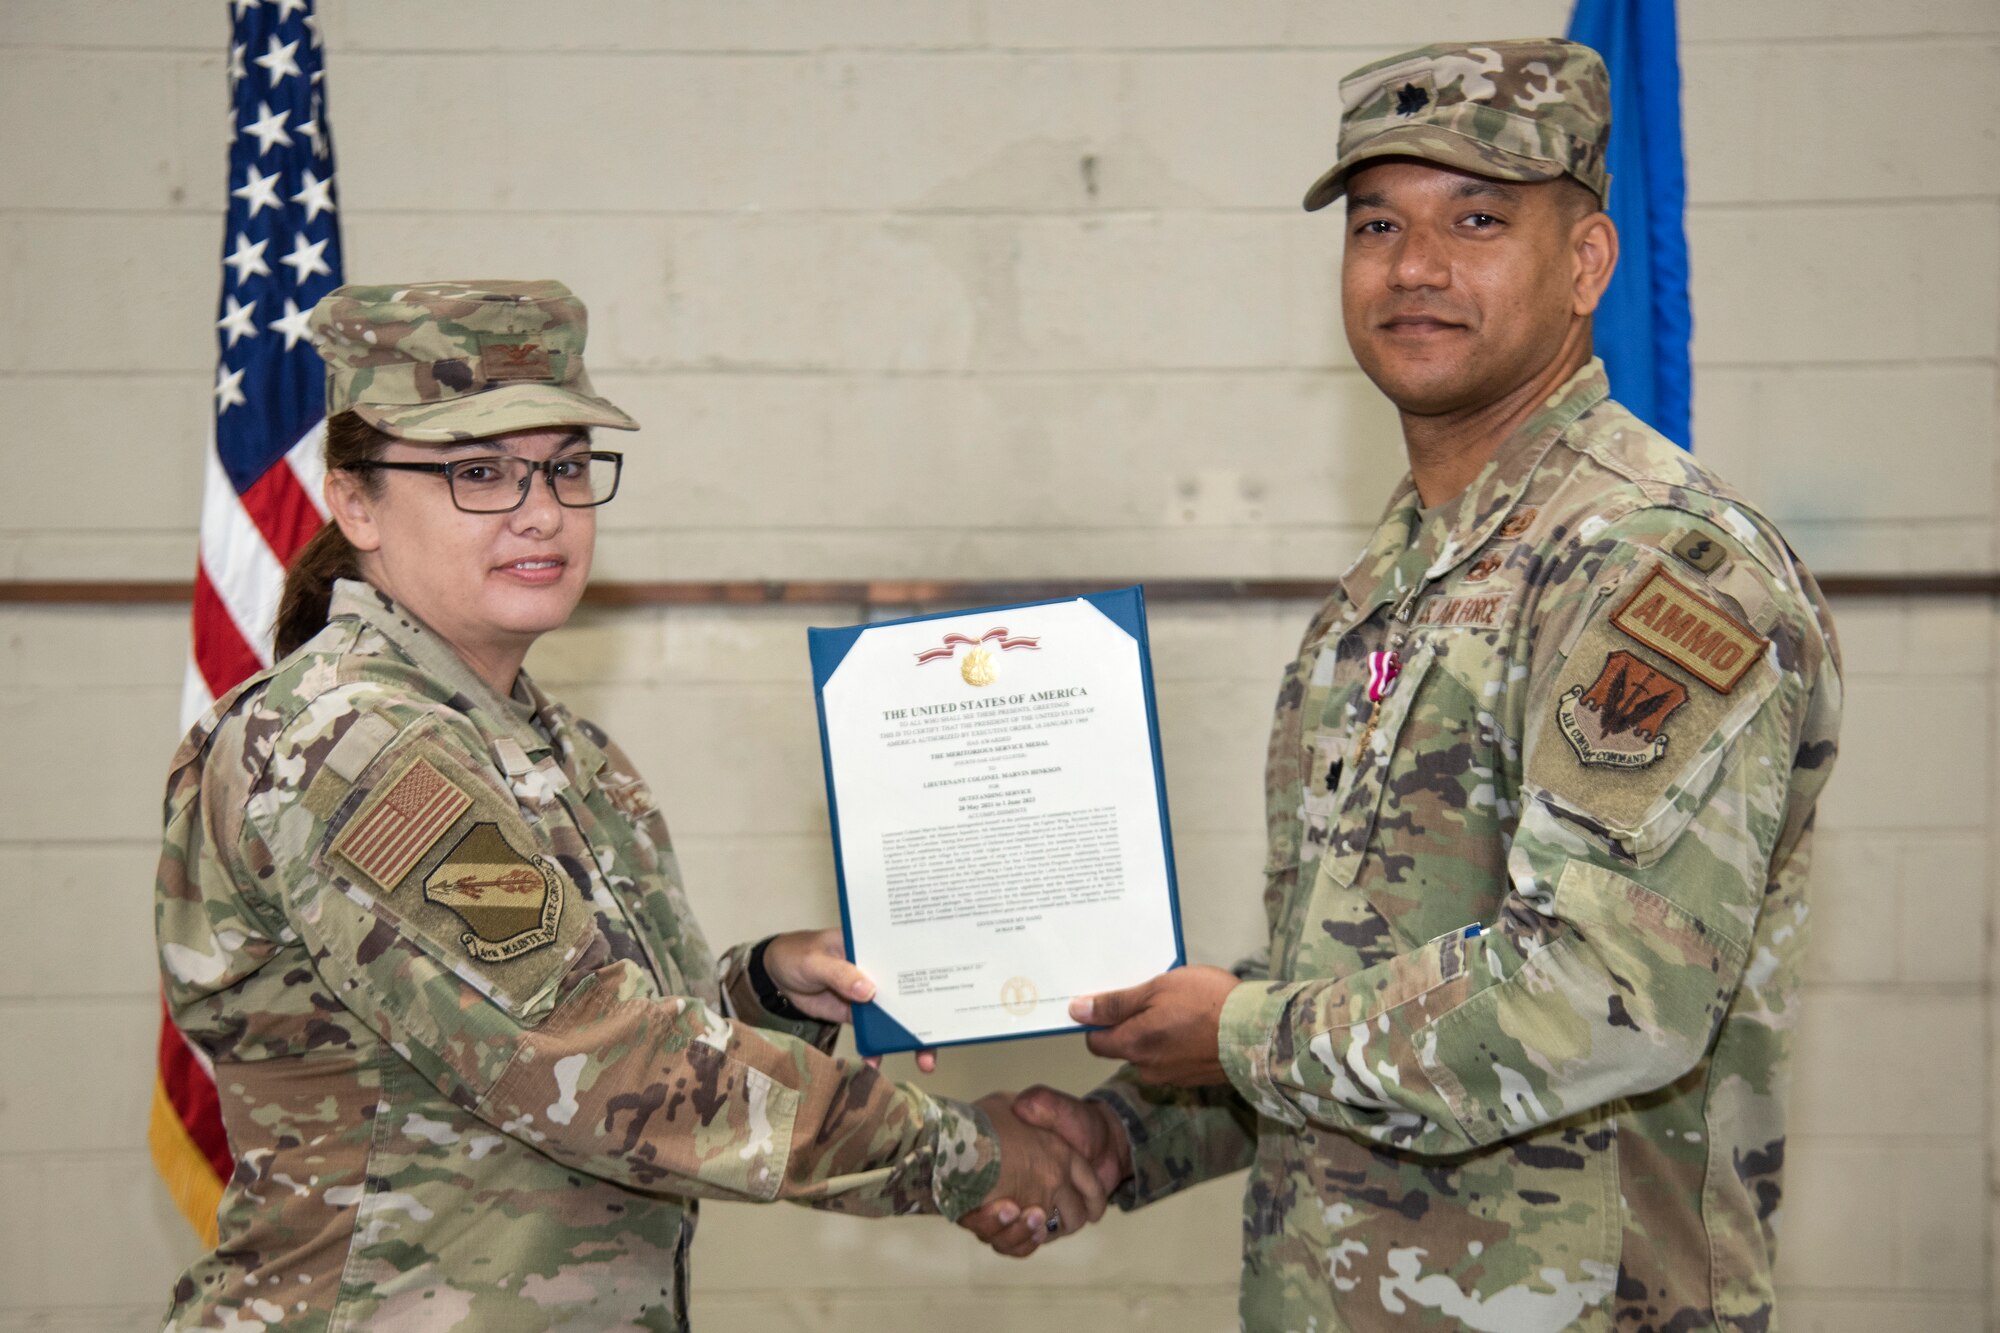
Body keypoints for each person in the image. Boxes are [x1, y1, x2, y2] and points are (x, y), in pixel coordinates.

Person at [964, 37, 1843, 1332]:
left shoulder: (1650, 567)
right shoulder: (1401, 576)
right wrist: (1120, 1139)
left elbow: (1604, 996)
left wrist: (1245, 1030)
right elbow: (1362, 968)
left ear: (1589, 262)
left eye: (1476, 219)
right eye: (1379, 223)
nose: (1415, 266)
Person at [155, 279, 1103, 1332]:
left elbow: (601, 1019)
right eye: (479, 472)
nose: (542, 510)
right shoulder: (354, 742)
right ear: (356, 500)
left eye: (565, 466)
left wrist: (768, 987)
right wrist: (962, 1156)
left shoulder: (557, 750)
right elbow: (603, 1067)